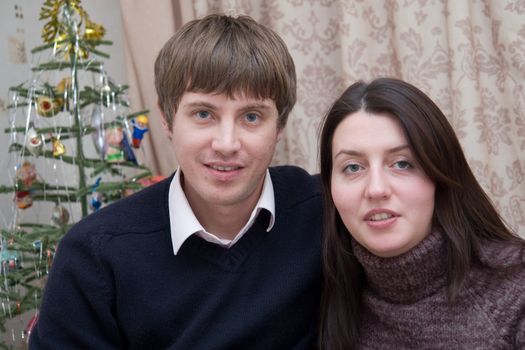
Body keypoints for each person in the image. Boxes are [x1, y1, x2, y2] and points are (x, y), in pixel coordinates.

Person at [30, 14, 323, 349]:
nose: (226, 143)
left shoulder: (323, 214)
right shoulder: (95, 256)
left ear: (280, 126)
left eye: (252, 116)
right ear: (167, 120)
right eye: (203, 114)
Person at [318, 77, 525, 349]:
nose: (376, 189)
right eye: (353, 168)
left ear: (440, 174)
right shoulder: (324, 294)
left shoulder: (515, 288)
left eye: (402, 163)